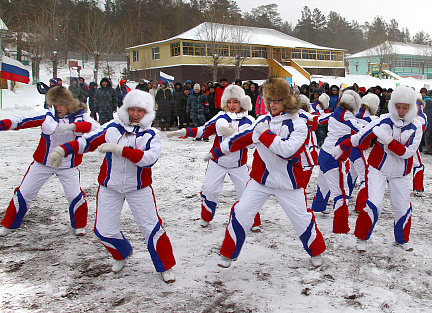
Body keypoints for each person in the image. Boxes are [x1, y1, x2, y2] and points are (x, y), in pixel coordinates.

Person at [48, 89, 177, 282]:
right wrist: (62, 150)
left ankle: (165, 266)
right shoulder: (113, 127)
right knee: (103, 230)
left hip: (138, 187)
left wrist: (121, 150)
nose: (135, 114)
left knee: (151, 228)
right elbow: (88, 141)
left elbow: (148, 159)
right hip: (110, 186)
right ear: (126, 109)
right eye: (132, 109)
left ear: (147, 113)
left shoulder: (151, 134)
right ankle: (122, 253)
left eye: (140, 111)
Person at [204, 78, 326, 268]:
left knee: (301, 219)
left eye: (276, 100)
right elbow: (242, 139)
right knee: (241, 211)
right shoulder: (263, 120)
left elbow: (288, 151)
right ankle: (228, 253)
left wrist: (265, 135)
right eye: (269, 100)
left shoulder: (298, 124)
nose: (272, 104)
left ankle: (316, 251)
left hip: (289, 182)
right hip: (261, 179)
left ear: (286, 100)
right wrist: (217, 151)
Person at [331, 85, 423, 252]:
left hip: (400, 173)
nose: (401, 111)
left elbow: (407, 153)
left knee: (403, 207)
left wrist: (387, 140)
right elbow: (361, 136)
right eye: (398, 106)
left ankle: (402, 239)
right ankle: (361, 237)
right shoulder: (384, 120)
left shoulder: (416, 126)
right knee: (374, 204)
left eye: (405, 107)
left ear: (411, 107)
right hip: (378, 168)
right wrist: (342, 147)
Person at [0, 86, 97, 237]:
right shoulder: (47, 116)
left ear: (68, 104)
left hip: (67, 166)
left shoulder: (81, 117)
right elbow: (20, 121)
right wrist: (1, 124)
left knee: (74, 195)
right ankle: (8, 224)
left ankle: (79, 225)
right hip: (42, 164)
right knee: (24, 192)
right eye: (54, 104)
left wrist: (72, 126)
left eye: (61, 104)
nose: (58, 108)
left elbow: (95, 128)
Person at [168, 85, 261, 230]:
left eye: (235, 102)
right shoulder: (220, 117)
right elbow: (203, 131)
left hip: (239, 164)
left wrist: (236, 134)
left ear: (241, 103)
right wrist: (185, 131)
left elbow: (251, 145)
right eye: (229, 102)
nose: (231, 106)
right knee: (210, 190)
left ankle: (253, 221)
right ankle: (206, 217)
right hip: (217, 162)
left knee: (246, 193)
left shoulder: (249, 121)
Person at [311, 89, 362, 233]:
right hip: (334, 156)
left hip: (325, 153)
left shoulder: (336, 112)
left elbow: (321, 119)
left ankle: (318, 206)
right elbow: (362, 131)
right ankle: (341, 226)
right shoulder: (347, 116)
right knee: (341, 192)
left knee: (323, 183)